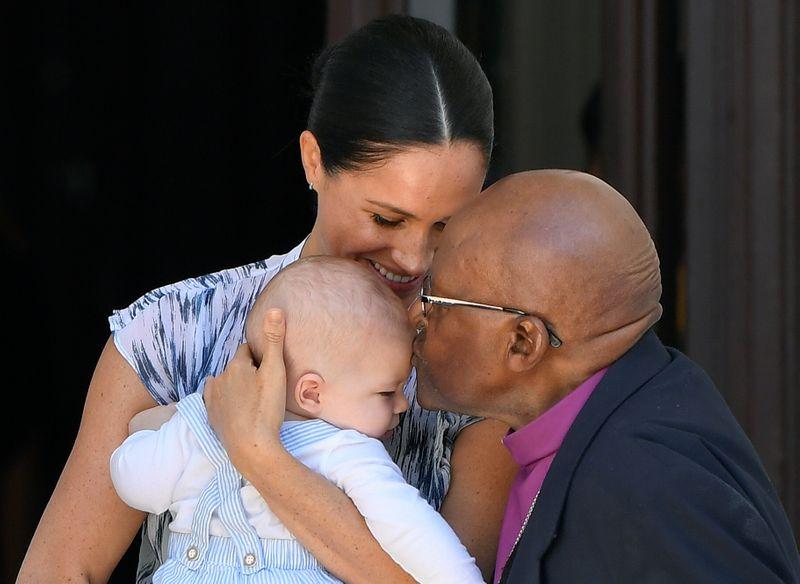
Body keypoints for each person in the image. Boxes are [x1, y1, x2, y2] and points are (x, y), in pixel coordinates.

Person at [19, 15, 516, 584]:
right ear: (313, 161)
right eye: (385, 218)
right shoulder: (174, 331)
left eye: (446, 226)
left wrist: (260, 456)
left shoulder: (481, 366)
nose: (414, 258)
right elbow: (61, 569)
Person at [410, 169, 800, 583]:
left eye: (435, 299)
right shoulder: (630, 404)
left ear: (524, 342)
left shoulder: (644, 488)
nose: (418, 315)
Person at [110, 257, 484, 583]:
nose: (403, 404)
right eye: (387, 392)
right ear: (311, 393)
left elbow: (134, 482)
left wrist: (181, 419)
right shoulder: (347, 450)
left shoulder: (204, 422)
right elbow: (414, 535)